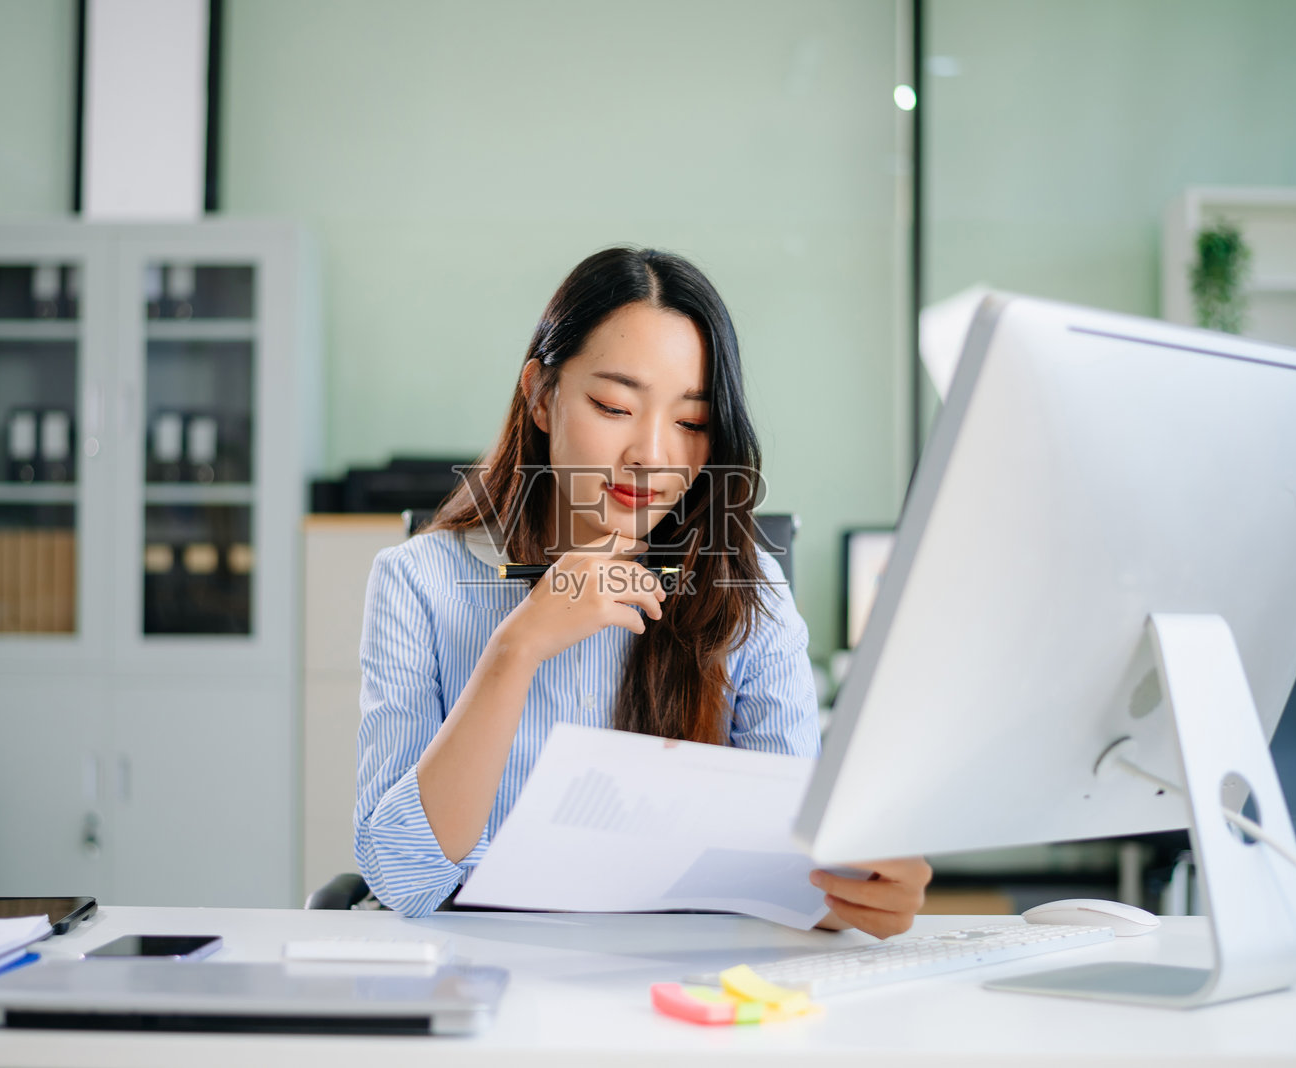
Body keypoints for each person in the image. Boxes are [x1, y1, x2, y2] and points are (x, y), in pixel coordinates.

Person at [354, 247, 931, 934]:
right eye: (614, 405)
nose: (652, 455)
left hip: (685, 989)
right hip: (485, 982)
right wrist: (517, 647)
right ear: (542, 396)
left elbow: (792, 870)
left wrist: (857, 893)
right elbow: (400, 875)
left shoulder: (748, 590)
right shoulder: (417, 582)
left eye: (690, 422)